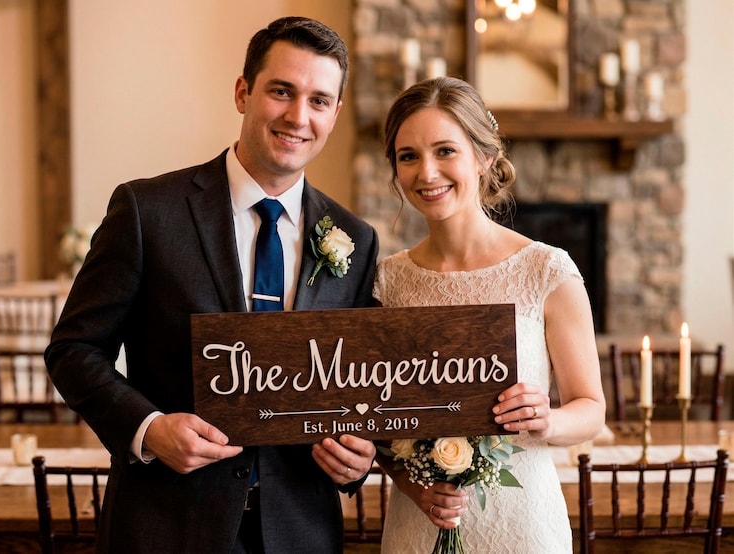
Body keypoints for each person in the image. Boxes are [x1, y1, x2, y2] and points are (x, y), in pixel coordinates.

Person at [45, 16, 379, 554]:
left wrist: (359, 458)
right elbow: (74, 350)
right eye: (281, 91)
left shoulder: (355, 240)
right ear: (243, 92)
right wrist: (148, 428)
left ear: (335, 114)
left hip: (300, 531)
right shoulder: (146, 210)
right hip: (165, 526)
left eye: (319, 100)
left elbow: (361, 387)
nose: (299, 116)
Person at [372, 76, 606, 553]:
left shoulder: (547, 269)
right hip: (420, 527)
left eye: (445, 151)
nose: (427, 173)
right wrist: (416, 488)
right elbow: (377, 425)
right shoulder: (386, 282)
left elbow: (591, 409)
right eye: (409, 156)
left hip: (523, 527)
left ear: (483, 158)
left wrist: (547, 419)